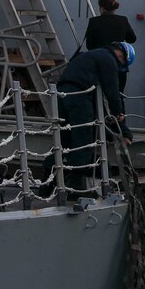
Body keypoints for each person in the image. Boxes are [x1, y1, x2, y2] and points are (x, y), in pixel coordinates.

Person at [53, 41, 133, 192]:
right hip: (79, 96)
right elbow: (112, 91)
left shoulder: (92, 55)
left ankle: (48, 183)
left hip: (61, 94)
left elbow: (97, 102)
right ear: (121, 56)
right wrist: (118, 114)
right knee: (83, 138)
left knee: (64, 140)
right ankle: (76, 186)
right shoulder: (109, 59)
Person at [82, 0, 138, 77]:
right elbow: (132, 39)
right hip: (119, 63)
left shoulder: (94, 21)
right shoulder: (123, 20)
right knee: (119, 89)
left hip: (100, 63)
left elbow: (89, 45)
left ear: (101, 8)